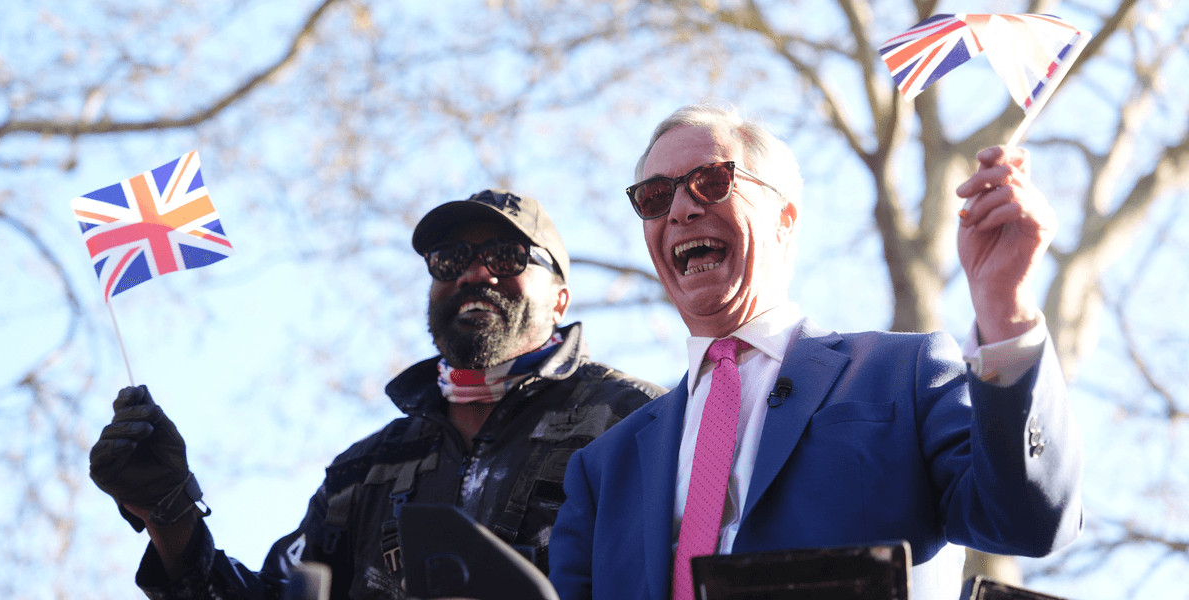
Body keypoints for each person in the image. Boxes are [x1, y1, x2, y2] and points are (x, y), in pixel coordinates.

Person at [548, 103, 1084, 600]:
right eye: (655, 197)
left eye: (711, 182)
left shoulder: (902, 373)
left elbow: (1029, 519)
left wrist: (1003, 305)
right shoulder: (603, 468)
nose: (682, 209)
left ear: (784, 217)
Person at [89, 189, 666, 600]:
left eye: (506, 257)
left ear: (560, 298)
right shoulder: (366, 469)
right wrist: (170, 514)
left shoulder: (636, 420)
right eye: (450, 260)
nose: (474, 274)